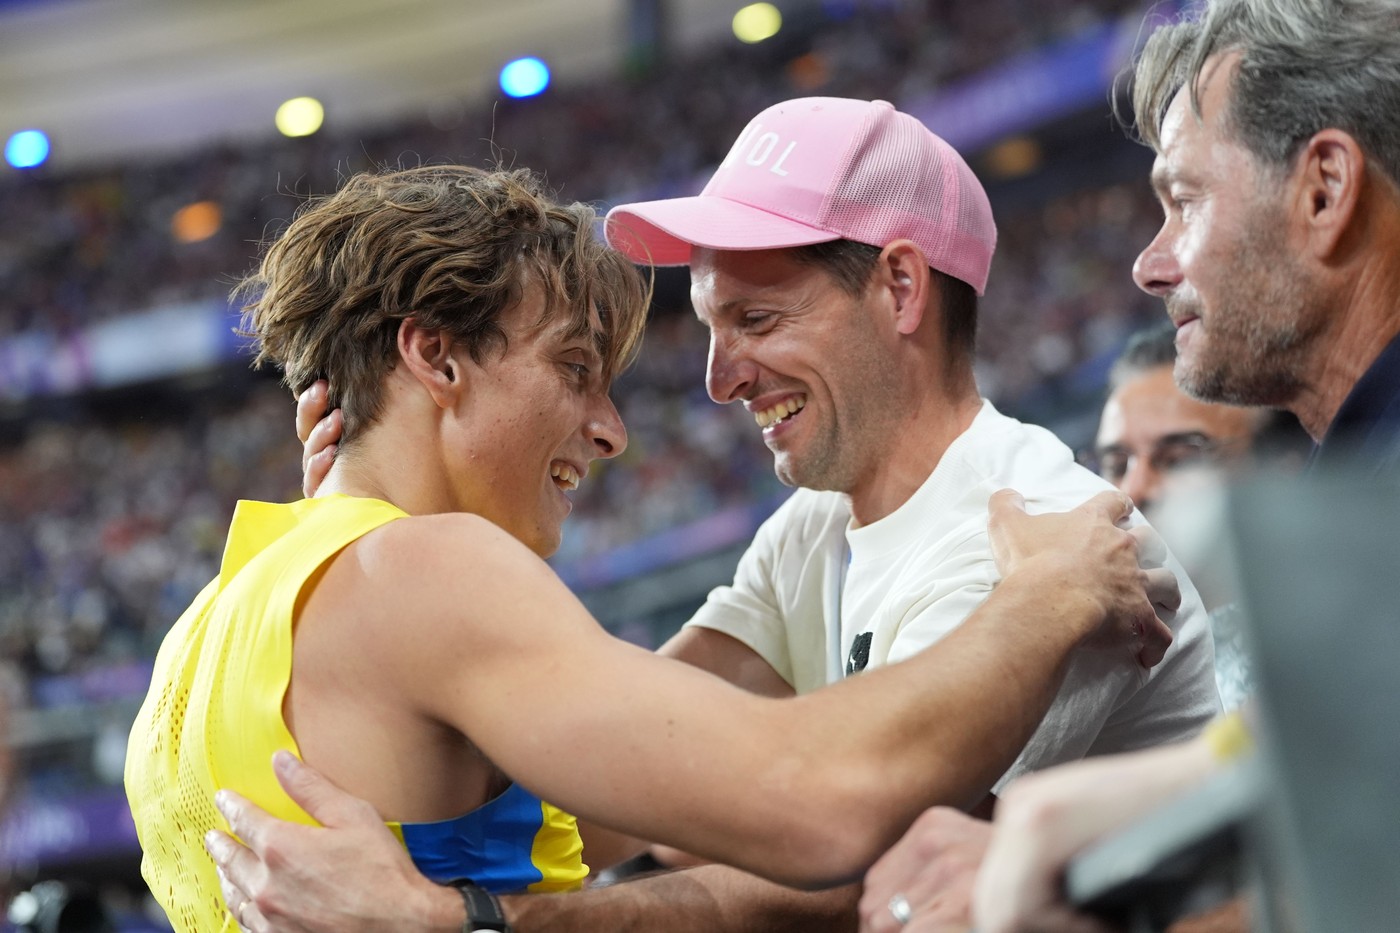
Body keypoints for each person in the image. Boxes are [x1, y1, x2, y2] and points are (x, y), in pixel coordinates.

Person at [207, 98, 1219, 932]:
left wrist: (471, 924)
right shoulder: (815, 530)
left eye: (756, 320)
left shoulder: (1039, 539)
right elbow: (620, 776)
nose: (718, 380)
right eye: (709, 326)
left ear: (901, 287)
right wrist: (363, 578)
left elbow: (857, 870)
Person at [859, 0, 1400, 929]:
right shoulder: (1353, 474)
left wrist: (1104, 866)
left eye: (1184, 199)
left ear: (1323, 190)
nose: (1149, 264)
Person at [1090, 322, 1311, 710]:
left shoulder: (1361, 632)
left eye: (1179, 460)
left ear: (1282, 468)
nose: (1133, 490)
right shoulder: (1096, 668)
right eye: (1115, 463)